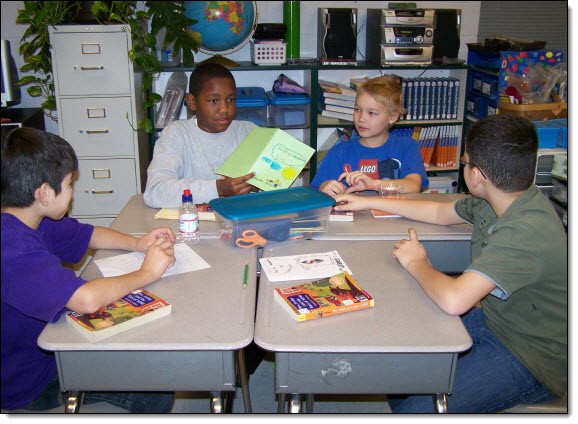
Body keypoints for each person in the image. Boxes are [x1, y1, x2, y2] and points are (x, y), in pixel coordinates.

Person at [334, 113, 567, 413]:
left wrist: (417, 262)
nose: (463, 165)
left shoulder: (525, 231)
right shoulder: (500, 196)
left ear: (477, 175)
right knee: (392, 368)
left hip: (532, 354)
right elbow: (440, 213)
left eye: (466, 161)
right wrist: (370, 201)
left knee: (414, 411)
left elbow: (455, 300)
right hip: (495, 322)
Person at [1, 128, 176, 413]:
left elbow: (89, 234)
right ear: (44, 193)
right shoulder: (12, 247)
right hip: (30, 380)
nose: (71, 193)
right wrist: (147, 273)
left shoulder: (32, 219)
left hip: (46, 348)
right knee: (155, 391)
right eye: (69, 184)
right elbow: (85, 300)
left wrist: (138, 243)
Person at [143, 62, 258, 208]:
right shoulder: (176, 134)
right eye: (214, 101)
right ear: (192, 102)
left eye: (231, 99)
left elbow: (291, 184)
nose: (224, 109)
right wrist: (218, 188)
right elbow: (155, 192)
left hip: (240, 223)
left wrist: (260, 187)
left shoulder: (249, 132)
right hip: (191, 226)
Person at [310, 75, 429, 196]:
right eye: (357, 109)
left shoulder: (407, 146)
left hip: (392, 214)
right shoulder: (340, 151)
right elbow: (317, 189)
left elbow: (414, 185)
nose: (361, 118)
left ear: (392, 117)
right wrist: (325, 187)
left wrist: (373, 184)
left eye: (371, 113)